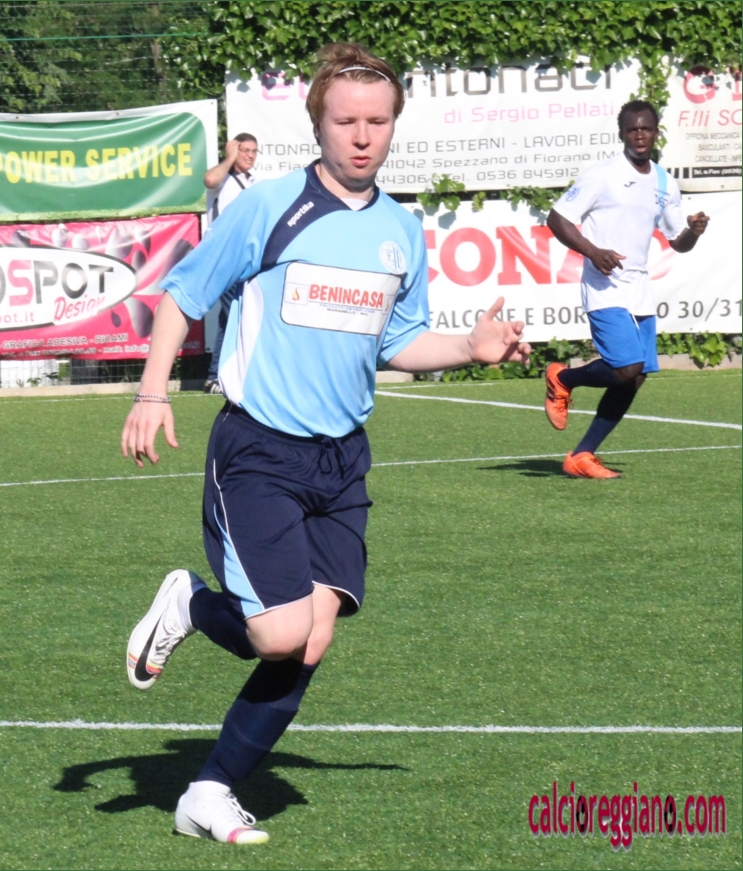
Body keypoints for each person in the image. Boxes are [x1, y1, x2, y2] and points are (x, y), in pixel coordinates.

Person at [121, 42, 530, 846]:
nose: (363, 135)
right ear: (319, 123)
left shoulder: (401, 231)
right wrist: (152, 390)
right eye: (346, 121)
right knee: (277, 632)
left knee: (312, 636)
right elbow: (182, 295)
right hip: (259, 449)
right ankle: (192, 605)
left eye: (377, 121)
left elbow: (399, 342)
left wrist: (468, 348)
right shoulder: (271, 207)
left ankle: (209, 790)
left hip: (342, 460)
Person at [544, 99, 710, 479]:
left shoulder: (664, 182)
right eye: (632, 129)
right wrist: (593, 251)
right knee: (626, 367)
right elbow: (557, 218)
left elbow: (677, 242)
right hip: (604, 285)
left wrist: (693, 232)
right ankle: (562, 378)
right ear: (621, 134)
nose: (639, 135)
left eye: (646, 128)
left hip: (639, 287)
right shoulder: (602, 175)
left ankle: (582, 455)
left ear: (656, 133)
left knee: (636, 376)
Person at [202, 133, 259, 394]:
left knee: (231, 315)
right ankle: (233, 374)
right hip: (223, 257)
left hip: (245, 258)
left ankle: (216, 375)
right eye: (244, 150)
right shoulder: (223, 178)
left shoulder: (254, 182)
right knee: (239, 312)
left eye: (254, 151)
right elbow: (209, 179)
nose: (249, 155)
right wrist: (229, 158)